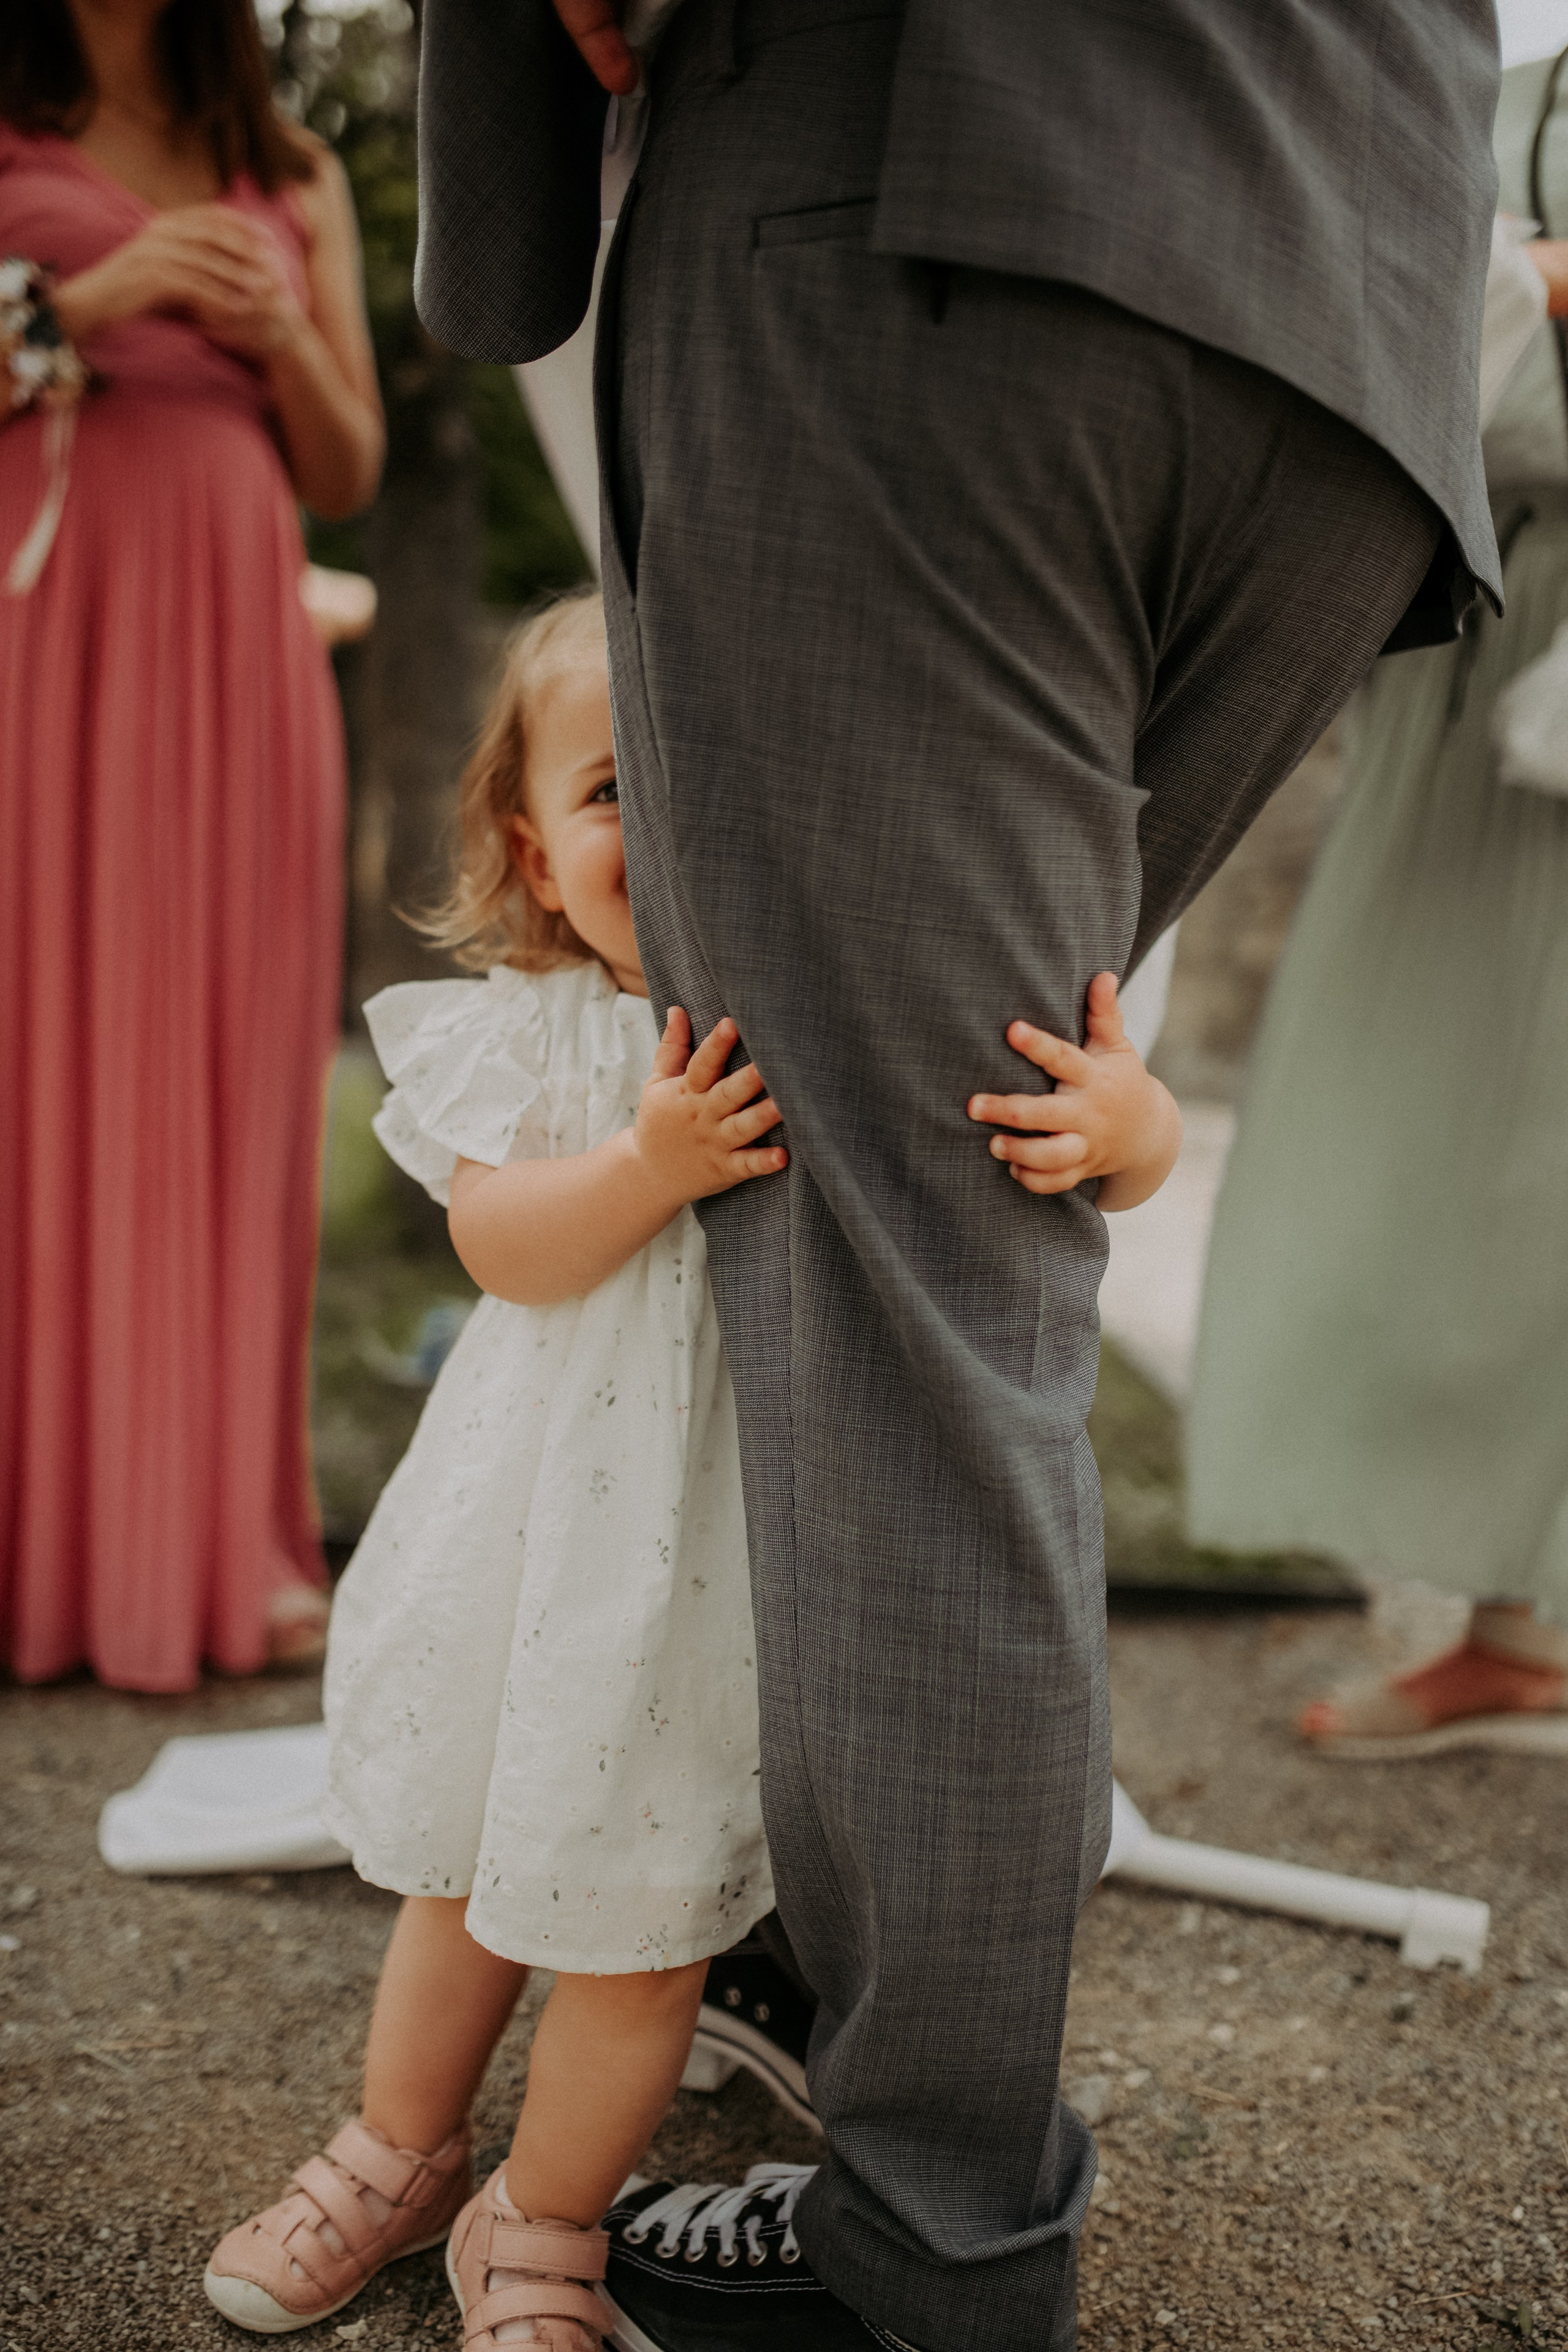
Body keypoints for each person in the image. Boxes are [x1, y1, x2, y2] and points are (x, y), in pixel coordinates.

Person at [415, 6, 1500, 2346]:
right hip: (1356, 326)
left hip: (922, 208)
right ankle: (818, 1943)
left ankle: (934, 2245)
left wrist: (507, 192)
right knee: (959, 1236)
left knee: (917, 1345)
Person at [200, 592, 1180, 2348]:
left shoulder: (855, 1008)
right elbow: (504, 1247)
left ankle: (544, 2222)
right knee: (463, 1881)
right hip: (537, 1545)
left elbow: (1088, 1130)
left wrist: (1132, 1128)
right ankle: (396, 2151)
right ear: (531, 847)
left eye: (706, 785)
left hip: (725, 1573)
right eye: (610, 791)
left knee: (643, 1926)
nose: (663, 832)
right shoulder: (542, 1028)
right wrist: (648, 1164)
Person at [1187, 51, 1568, 1760]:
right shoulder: (1498, 80)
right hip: (1470, 656)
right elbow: (1387, 300)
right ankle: (1511, 1621)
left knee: (1537, 1143)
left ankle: (1522, 1625)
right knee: (1433, 1136)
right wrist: (1522, 290)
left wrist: (1509, 298)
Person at [0, 0, 383, 1688]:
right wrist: (88, 302)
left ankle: (217, 1539)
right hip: (43, 639)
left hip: (238, 655)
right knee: (33, 1061)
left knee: (227, 1074)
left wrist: (280, 330)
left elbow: (349, 468)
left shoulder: (291, 168)